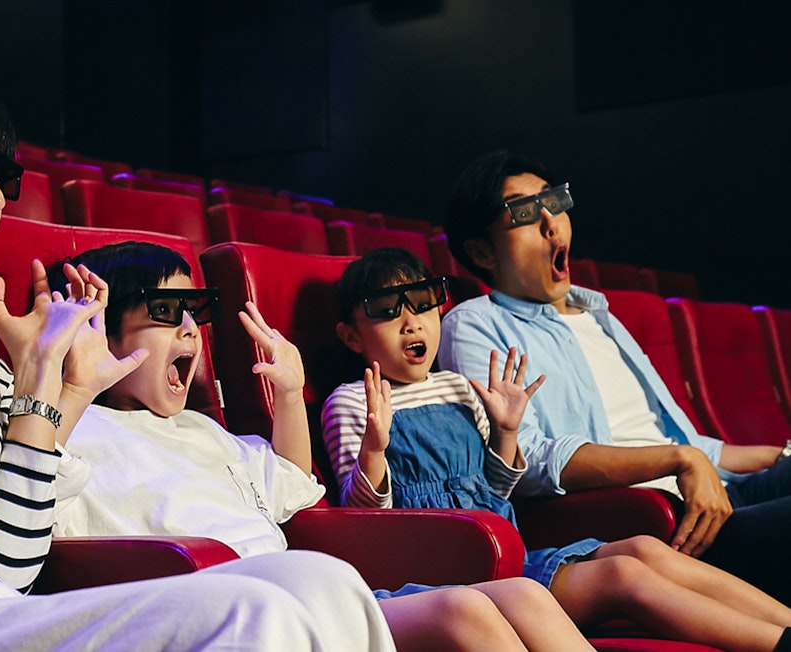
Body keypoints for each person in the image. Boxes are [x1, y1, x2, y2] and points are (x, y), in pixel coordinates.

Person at [0, 59, 398, 651]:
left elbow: (7, 565)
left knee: (320, 583)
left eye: (5, 179)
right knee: (258, 613)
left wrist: (41, 391)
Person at [49, 241, 596, 652]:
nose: (192, 330)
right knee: (463, 614)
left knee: (527, 596)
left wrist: (288, 395)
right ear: (98, 329)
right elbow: (40, 524)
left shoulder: (201, 430)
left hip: (308, 597)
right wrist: (69, 376)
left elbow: (288, 488)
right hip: (238, 617)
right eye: (168, 311)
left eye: (196, 312)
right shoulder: (74, 432)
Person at [323, 246, 791, 651]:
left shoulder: (459, 389)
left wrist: (506, 431)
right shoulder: (352, 401)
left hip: (507, 554)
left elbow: (494, 489)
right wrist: (374, 449)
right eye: (387, 310)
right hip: (445, 566)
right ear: (351, 336)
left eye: (423, 303)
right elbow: (363, 515)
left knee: (644, 550)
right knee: (622, 577)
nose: (410, 323)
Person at [437, 149, 791, 605]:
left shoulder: (599, 315)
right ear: (482, 251)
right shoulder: (475, 324)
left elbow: (686, 442)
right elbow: (526, 459)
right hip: (661, 524)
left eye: (554, 203)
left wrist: (778, 456)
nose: (551, 223)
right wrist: (678, 460)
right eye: (524, 213)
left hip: (715, 493)